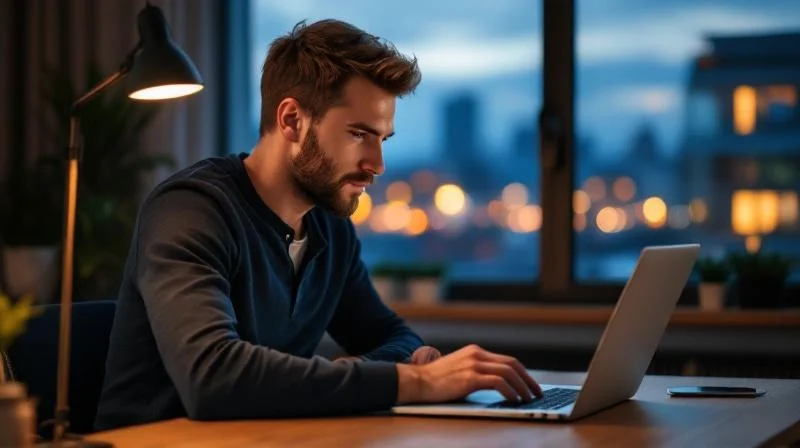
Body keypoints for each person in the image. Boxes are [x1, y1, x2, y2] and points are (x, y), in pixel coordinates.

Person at [94, 18, 542, 431]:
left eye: (382, 139)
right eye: (359, 134)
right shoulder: (191, 210)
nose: (378, 164)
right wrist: (415, 382)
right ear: (292, 120)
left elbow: (394, 337)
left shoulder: (329, 228)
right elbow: (212, 377)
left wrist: (381, 369)